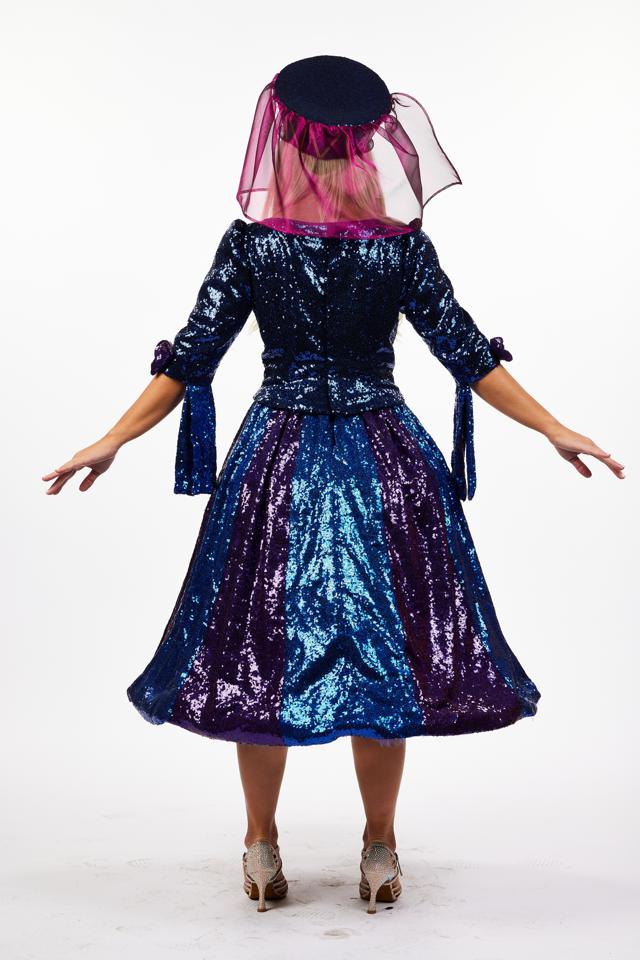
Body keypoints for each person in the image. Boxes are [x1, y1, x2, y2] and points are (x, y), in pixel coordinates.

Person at [42, 55, 625, 915]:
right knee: (382, 656)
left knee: (259, 655)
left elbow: (191, 359)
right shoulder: (400, 247)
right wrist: (551, 426)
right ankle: (378, 848)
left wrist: (112, 439)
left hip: (275, 464)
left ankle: (261, 844)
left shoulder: (254, 245)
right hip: (384, 461)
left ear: (285, 142)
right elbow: (466, 353)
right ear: (366, 149)